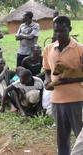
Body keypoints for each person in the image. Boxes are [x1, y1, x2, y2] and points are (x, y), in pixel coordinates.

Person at [43, 16, 83, 155]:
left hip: (77, 100)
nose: (58, 34)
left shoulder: (79, 49)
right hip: (57, 101)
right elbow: (47, 69)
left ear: (70, 29)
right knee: (62, 138)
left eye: (62, 31)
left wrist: (64, 81)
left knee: (81, 138)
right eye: (56, 31)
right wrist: (47, 80)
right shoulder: (48, 49)